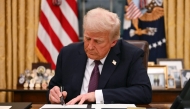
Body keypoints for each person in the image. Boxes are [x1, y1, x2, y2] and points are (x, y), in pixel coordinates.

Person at [48, 7, 152, 104]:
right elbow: (53, 87)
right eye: (87, 38)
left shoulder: (130, 55)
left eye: (98, 41)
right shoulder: (68, 54)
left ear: (113, 42)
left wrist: (97, 96)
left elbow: (144, 92)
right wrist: (53, 95)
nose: (90, 46)